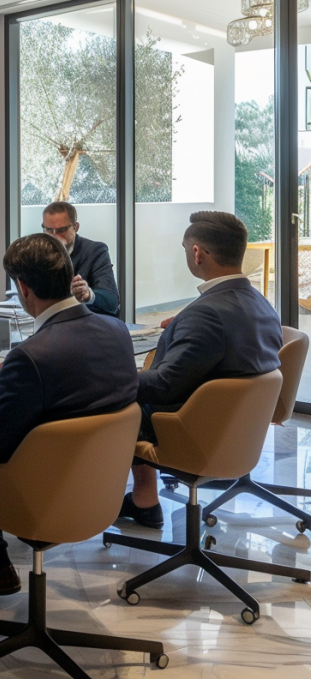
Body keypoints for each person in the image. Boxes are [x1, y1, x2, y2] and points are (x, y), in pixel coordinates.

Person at [0, 233, 137, 595]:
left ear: (23, 289)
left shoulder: (31, 356)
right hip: (93, 485)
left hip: (37, 488)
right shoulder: (117, 330)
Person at [120, 211, 283, 529]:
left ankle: (135, 499)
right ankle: (143, 499)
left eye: (185, 249)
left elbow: (164, 386)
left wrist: (109, 376)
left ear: (197, 253)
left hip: (192, 434)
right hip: (237, 431)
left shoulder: (206, 315)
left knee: (116, 396)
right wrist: (182, 327)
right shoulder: (260, 303)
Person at [41, 201, 119, 316]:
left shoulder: (95, 252)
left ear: (75, 227)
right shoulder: (38, 253)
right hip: (50, 323)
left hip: (87, 324)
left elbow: (112, 301)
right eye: (49, 230)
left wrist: (88, 295)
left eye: (61, 230)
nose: (54, 236)